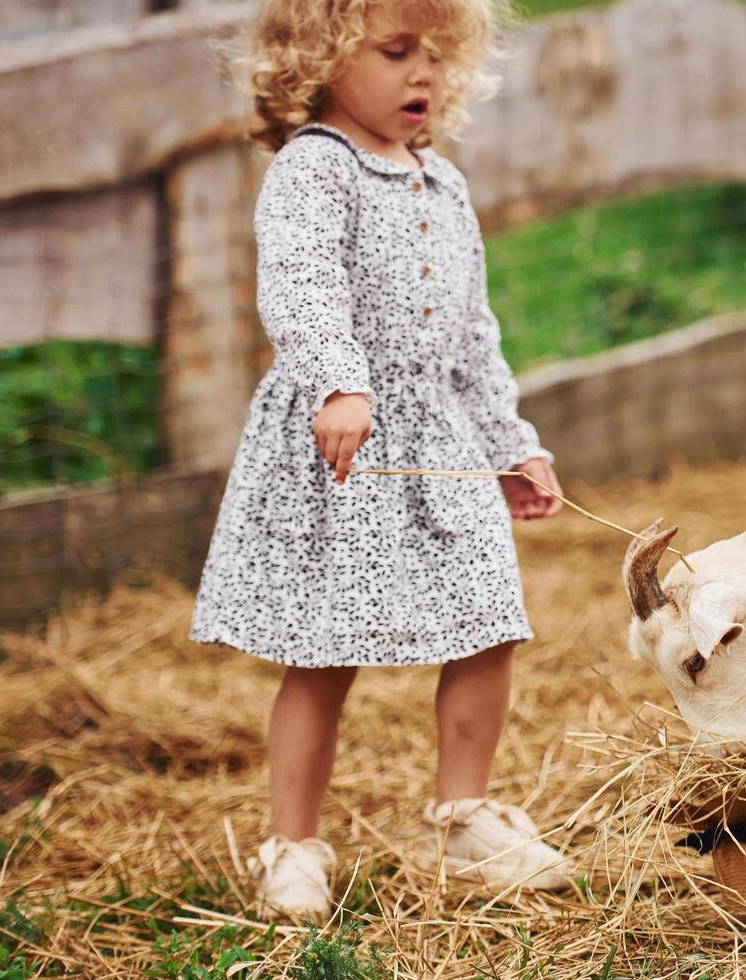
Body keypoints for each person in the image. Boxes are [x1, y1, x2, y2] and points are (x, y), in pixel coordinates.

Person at [189, 0, 574, 918]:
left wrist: (511, 444)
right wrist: (337, 383)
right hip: (345, 446)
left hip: (438, 440)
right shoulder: (315, 171)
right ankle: (291, 844)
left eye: (440, 56)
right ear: (320, 62)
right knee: (325, 649)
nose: (424, 75)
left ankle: (463, 814)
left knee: (489, 619)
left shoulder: (442, 184)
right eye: (397, 51)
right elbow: (301, 284)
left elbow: (473, 337)